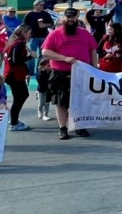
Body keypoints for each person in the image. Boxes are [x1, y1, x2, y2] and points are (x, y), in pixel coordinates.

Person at [40, 8, 98, 140]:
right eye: (68, 17)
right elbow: (45, 52)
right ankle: (63, 128)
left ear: (77, 18)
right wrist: (64, 58)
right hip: (60, 73)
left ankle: (78, 126)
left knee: (80, 101)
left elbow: (93, 52)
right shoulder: (55, 34)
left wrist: (95, 68)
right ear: (63, 18)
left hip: (81, 73)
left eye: (73, 17)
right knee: (60, 102)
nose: (70, 20)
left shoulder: (85, 33)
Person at [3, 25, 33, 131]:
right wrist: (30, 56)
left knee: (21, 96)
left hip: (13, 74)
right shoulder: (19, 44)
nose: (30, 34)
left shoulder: (16, 43)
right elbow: (16, 61)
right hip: (14, 75)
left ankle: (14, 120)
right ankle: (14, 123)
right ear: (24, 32)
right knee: (20, 97)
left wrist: (27, 71)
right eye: (29, 32)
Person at [23, 0, 54, 75]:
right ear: (35, 6)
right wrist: (26, 36)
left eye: (43, 5)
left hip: (44, 37)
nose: (42, 6)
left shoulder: (46, 14)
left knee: (42, 55)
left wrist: (44, 25)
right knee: (31, 55)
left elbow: (52, 24)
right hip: (33, 37)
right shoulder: (30, 14)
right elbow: (24, 26)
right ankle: (30, 72)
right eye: (40, 5)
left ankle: (40, 70)